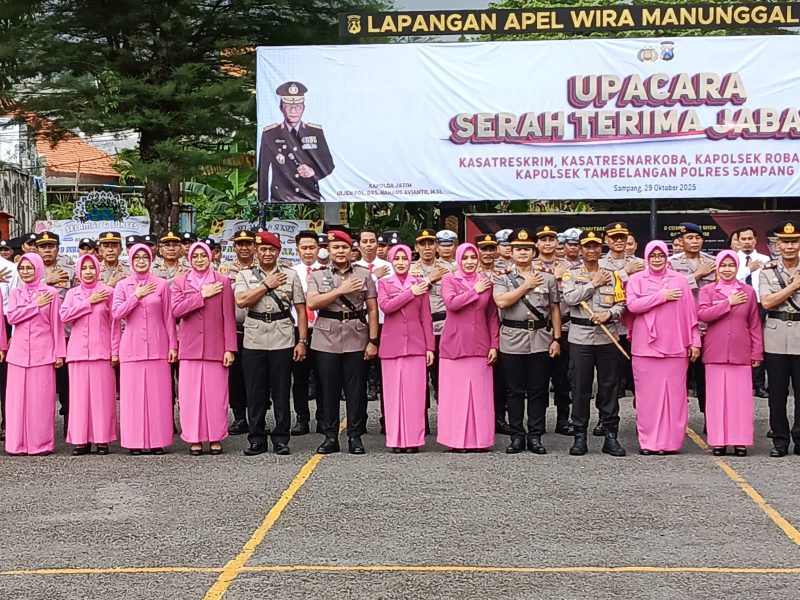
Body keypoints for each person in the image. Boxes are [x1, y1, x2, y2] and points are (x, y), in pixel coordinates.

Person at [235, 232, 308, 456]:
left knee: (281, 389)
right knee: (255, 390)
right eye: (263, 249)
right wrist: (266, 285)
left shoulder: (291, 274)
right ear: (257, 252)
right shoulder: (245, 275)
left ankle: (281, 438)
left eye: (272, 250)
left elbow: (301, 310)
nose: (267, 253)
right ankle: (256, 438)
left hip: (282, 335)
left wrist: (302, 341)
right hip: (255, 335)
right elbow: (241, 300)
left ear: (279, 252)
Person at [625, 240, 700, 455]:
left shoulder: (680, 281)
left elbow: (690, 314)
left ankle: (670, 443)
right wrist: (661, 296)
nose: (657, 259)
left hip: (676, 347)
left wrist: (694, 341)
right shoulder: (637, 279)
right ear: (646, 258)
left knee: (674, 397)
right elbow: (633, 306)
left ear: (667, 257)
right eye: (653, 256)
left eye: (661, 255)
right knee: (647, 397)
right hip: (645, 348)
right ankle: (648, 442)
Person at [307, 229, 378, 455]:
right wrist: (340, 290)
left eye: (344, 247)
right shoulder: (317, 275)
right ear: (328, 250)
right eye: (335, 247)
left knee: (355, 391)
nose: (339, 252)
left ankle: (355, 436)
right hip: (325, 338)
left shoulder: (364, 274)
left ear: (351, 250)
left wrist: (373, 340)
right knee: (328, 390)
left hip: (356, 336)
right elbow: (312, 303)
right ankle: (330, 437)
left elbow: (373, 310)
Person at [493, 228, 561, 454]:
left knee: (538, 390)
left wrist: (557, 338)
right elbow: (501, 302)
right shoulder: (501, 278)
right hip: (512, 338)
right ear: (510, 253)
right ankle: (516, 436)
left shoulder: (548, 278)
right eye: (518, 249)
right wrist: (526, 285)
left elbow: (554, 309)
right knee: (514, 391)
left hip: (541, 338)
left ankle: (535, 435)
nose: (522, 253)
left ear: (534, 252)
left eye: (527, 249)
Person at [561, 230, 626, 457]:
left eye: (595, 246)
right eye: (587, 246)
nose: (591, 250)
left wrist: (610, 314)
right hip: (580, 336)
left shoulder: (613, 274)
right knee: (580, 388)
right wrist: (593, 283)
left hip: (607, 336)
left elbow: (621, 303)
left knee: (609, 387)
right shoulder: (571, 274)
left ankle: (610, 435)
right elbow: (569, 299)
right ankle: (580, 436)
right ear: (580, 249)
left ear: (601, 248)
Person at [112, 243, 178, 455]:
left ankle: (158, 440)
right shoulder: (123, 286)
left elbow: (168, 316)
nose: (141, 261)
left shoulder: (161, 284)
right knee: (132, 397)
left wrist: (173, 345)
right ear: (130, 260)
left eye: (145, 257)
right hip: (132, 347)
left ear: (151, 260)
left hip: (158, 346)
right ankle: (134, 441)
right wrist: (136, 296)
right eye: (137, 257)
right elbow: (116, 314)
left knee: (158, 396)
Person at [172, 242, 237, 456]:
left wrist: (229, 348)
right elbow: (176, 310)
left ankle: (215, 436)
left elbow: (228, 317)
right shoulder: (180, 282)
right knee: (190, 397)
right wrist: (201, 295)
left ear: (210, 257)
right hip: (190, 348)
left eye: (203, 255)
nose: (200, 259)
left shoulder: (223, 281)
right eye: (195, 256)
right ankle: (194, 438)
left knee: (216, 396)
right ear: (189, 258)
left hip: (215, 349)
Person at [698, 250, 763, 456]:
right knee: (716, 400)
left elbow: (754, 324)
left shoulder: (748, 292)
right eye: (723, 266)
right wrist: (728, 303)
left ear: (737, 268)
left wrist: (757, 352)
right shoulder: (708, 290)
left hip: (741, 352)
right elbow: (703, 314)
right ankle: (718, 440)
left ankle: (740, 441)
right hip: (715, 352)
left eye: (731, 265)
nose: (727, 270)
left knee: (740, 400)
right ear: (717, 267)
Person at [438, 242, 500, 452]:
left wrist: (494, 344)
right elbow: (452, 303)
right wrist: (474, 290)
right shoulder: (449, 279)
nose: (470, 262)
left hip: (480, 344)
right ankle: (455, 440)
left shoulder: (487, 282)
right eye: (465, 258)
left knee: (479, 395)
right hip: (455, 344)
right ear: (458, 260)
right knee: (456, 395)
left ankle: (480, 440)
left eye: (473, 257)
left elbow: (491, 315)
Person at [60, 254, 120, 456]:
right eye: (84, 268)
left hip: (102, 351)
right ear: (78, 272)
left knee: (102, 398)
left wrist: (115, 350)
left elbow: (115, 324)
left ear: (98, 269)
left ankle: (102, 439)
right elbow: (64, 316)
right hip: (77, 352)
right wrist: (88, 302)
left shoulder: (108, 292)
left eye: (91, 267)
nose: (88, 272)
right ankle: (81, 440)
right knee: (79, 398)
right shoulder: (72, 294)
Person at [378, 244, 434, 453]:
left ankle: (413, 440)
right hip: (392, 346)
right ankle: (395, 440)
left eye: (404, 258)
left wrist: (430, 347)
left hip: (416, 344)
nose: (401, 262)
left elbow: (425, 318)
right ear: (391, 261)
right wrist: (410, 293)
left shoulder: (420, 284)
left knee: (415, 396)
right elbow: (387, 307)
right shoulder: (385, 283)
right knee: (393, 396)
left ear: (410, 261)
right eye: (397, 258)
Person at [5, 253, 62, 455]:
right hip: (19, 353)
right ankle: (16, 443)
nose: (26, 272)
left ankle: (41, 443)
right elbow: (12, 317)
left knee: (41, 399)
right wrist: (35, 305)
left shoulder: (51, 293)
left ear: (37, 268)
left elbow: (57, 324)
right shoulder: (16, 293)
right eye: (22, 268)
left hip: (43, 351)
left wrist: (59, 353)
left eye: (30, 268)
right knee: (16, 400)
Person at [759, 221, 800, 457]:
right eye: (785, 242)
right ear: (777, 245)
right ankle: (780, 439)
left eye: (794, 241)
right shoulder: (768, 270)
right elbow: (766, 302)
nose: (790, 246)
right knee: (777, 392)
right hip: (776, 334)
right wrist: (793, 286)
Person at [258, 81, 334, 203]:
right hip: (281, 196)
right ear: (281, 108)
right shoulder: (270, 134)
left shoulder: (315, 132)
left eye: (297, 106)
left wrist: (313, 172)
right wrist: (263, 200)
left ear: (303, 108)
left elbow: (329, 164)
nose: (294, 110)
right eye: (289, 106)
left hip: (310, 195)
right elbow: (263, 170)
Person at [600, 222, 644, 422]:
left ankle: (643, 418)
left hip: (635, 328)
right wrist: (624, 272)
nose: (618, 241)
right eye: (614, 237)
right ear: (606, 240)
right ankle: (605, 419)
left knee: (639, 378)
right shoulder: (599, 264)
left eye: (622, 237)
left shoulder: (641, 263)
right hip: (608, 327)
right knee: (608, 379)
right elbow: (600, 285)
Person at [533, 224, 573, 436]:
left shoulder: (570, 266)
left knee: (563, 378)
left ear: (558, 243)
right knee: (537, 378)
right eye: (543, 240)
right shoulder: (529, 266)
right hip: (537, 328)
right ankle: (536, 422)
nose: (548, 243)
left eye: (551, 239)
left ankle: (563, 419)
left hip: (564, 327)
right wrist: (552, 276)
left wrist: (558, 277)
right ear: (537, 244)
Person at [219, 230, 258, 435]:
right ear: (234, 247)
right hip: (234, 328)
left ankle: (257, 417)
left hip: (258, 328)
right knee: (235, 376)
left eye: (248, 244)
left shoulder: (263, 269)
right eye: (240, 244)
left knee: (257, 375)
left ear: (255, 246)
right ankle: (240, 417)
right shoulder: (224, 270)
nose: (244, 247)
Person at [411, 229, 455, 408]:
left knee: (444, 378)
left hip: (444, 326)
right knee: (419, 378)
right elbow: (409, 293)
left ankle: (446, 420)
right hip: (420, 328)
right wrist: (430, 279)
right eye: (423, 244)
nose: (427, 248)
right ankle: (421, 423)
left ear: (437, 246)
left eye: (431, 243)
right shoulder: (410, 269)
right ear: (416, 247)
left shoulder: (450, 269)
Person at [36, 231, 73, 432]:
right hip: (39, 334)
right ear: (37, 249)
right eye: (43, 247)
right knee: (40, 384)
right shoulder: (29, 270)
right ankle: (40, 428)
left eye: (51, 246)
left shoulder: (70, 269)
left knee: (66, 383)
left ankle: (70, 426)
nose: (47, 250)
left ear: (57, 248)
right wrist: (46, 281)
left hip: (66, 333)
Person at [476, 233, 510, 435]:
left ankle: (499, 418)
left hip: (503, 328)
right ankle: (481, 417)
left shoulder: (505, 273)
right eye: (483, 249)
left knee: (501, 379)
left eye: (491, 249)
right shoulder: (468, 272)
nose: (488, 253)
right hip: (478, 330)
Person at [354, 229, 392, 411]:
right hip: (360, 323)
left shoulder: (389, 266)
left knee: (385, 374)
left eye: (372, 241)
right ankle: (359, 424)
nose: (368, 245)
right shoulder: (352, 267)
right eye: (364, 241)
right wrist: (374, 276)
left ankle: (387, 420)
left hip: (386, 322)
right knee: (359, 375)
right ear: (358, 245)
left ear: (377, 244)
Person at [290, 230, 324, 435]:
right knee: (299, 377)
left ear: (318, 249)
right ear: (297, 250)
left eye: (312, 247)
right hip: (297, 330)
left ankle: (323, 418)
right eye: (304, 248)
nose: (308, 251)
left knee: (323, 377)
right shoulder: (290, 272)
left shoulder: (327, 271)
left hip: (323, 329)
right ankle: (302, 418)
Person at [735, 226, 771, 399]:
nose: (747, 242)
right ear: (738, 240)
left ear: (755, 239)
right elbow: (729, 279)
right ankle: (744, 382)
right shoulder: (732, 259)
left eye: (750, 238)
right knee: (741, 341)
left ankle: (759, 384)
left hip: (760, 303)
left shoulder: (764, 258)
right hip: (738, 303)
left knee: (759, 343)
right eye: (744, 239)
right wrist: (748, 269)